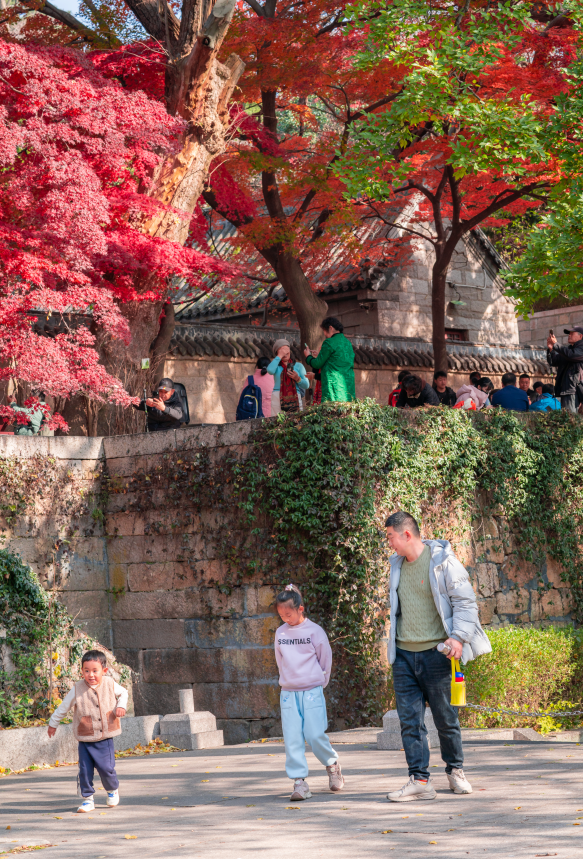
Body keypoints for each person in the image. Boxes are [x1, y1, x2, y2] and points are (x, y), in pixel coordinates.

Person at [384, 511, 491, 803]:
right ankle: (419, 780)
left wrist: (458, 637)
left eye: (390, 536)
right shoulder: (395, 566)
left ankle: (455, 770)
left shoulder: (443, 562)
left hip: (437, 655)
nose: (389, 543)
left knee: (446, 718)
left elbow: (465, 603)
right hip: (404, 655)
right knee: (410, 722)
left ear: (406, 534)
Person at [274, 584, 344, 801]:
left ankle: (332, 765)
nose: (285, 618)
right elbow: (280, 661)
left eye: (289, 614)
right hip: (288, 692)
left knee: (314, 735)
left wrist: (319, 682)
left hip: (312, 690)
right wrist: (288, 681)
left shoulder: (315, 631)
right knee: (292, 738)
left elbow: (326, 659)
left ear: (300, 609)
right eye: (281, 615)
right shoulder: (280, 632)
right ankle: (299, 782)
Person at [47, 649, 128, 813]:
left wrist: (121, 706)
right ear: (82, 671)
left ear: (104, 671)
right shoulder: (77, 688)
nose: (90, 675)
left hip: (105, 737)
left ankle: (112, 790)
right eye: (86, 671)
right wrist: (53, 723)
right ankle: (87, 799)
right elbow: (63, 708)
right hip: (85, 738)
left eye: (95, 671)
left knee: (107, 768)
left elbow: (124, 693)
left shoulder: (110, 683)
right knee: (84, 770)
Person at [304, 317, 356, 403]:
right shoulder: (348, 343)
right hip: (348, 385)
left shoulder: (329, 342)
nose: (324, 334)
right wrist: (320, 355)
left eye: (324, 330)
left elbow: (317, 364)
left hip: (334, 386)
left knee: (332, 412)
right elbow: (336, 360)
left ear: (331, 328)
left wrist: (308, 356)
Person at [268, 340, 309, 415]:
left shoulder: (299, 366)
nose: (285, 354)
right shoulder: (276, 365)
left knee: (296, 422)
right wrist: (279, 356)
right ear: (277, 353)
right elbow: (270, 370)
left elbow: (306, 385)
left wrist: (297, 378)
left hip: (295, 395)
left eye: (286, 350)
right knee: (277, 422)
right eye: (282, 351)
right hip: (277, 396)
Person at [547, 327, 583, 413]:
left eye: (572, 334)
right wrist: (551, 349)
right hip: (567, 389)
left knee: (571, 420)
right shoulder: (569, 350)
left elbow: (572, 355)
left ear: (580, 336)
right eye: (569, 334)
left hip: (575, 389)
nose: (569, 336)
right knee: (568, 419)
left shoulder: (579, 349)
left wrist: (556, 344)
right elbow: (555, 361)